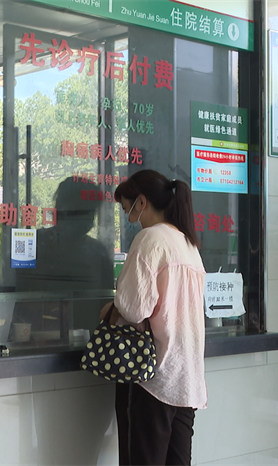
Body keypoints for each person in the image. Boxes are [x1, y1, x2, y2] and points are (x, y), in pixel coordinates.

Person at [103, 169, 206, 466]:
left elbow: (135, 309)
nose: (129, 217)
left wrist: (111, 308)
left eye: (127, 208)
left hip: (152, 377)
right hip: (186, 380)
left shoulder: (150, 238)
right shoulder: (188, 244)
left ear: (142, 202)